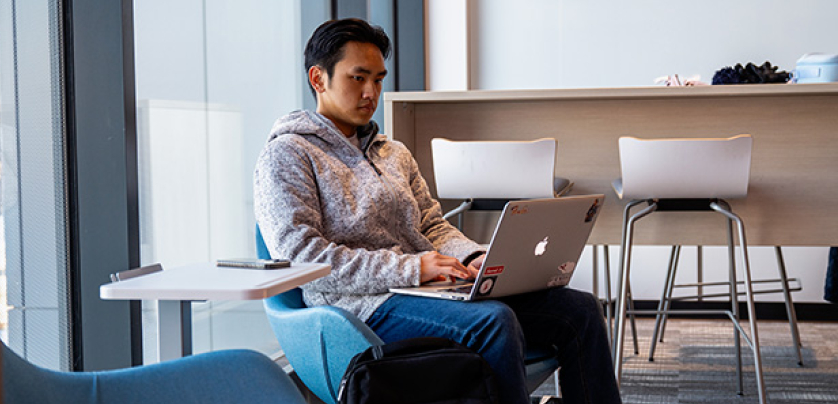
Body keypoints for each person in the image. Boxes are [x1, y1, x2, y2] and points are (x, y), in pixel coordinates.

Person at [254, 18, 622, 404]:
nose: (371, 92)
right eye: (358, 78)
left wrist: (476, 256)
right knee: (494, 322)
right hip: (358, 308)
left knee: (579, 310)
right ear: (318, 78)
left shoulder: (392, 152)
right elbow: (300, 256)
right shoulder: (288, 154)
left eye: (378, 79)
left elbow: (432, 224)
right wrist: (414, 269)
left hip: (429, 290)